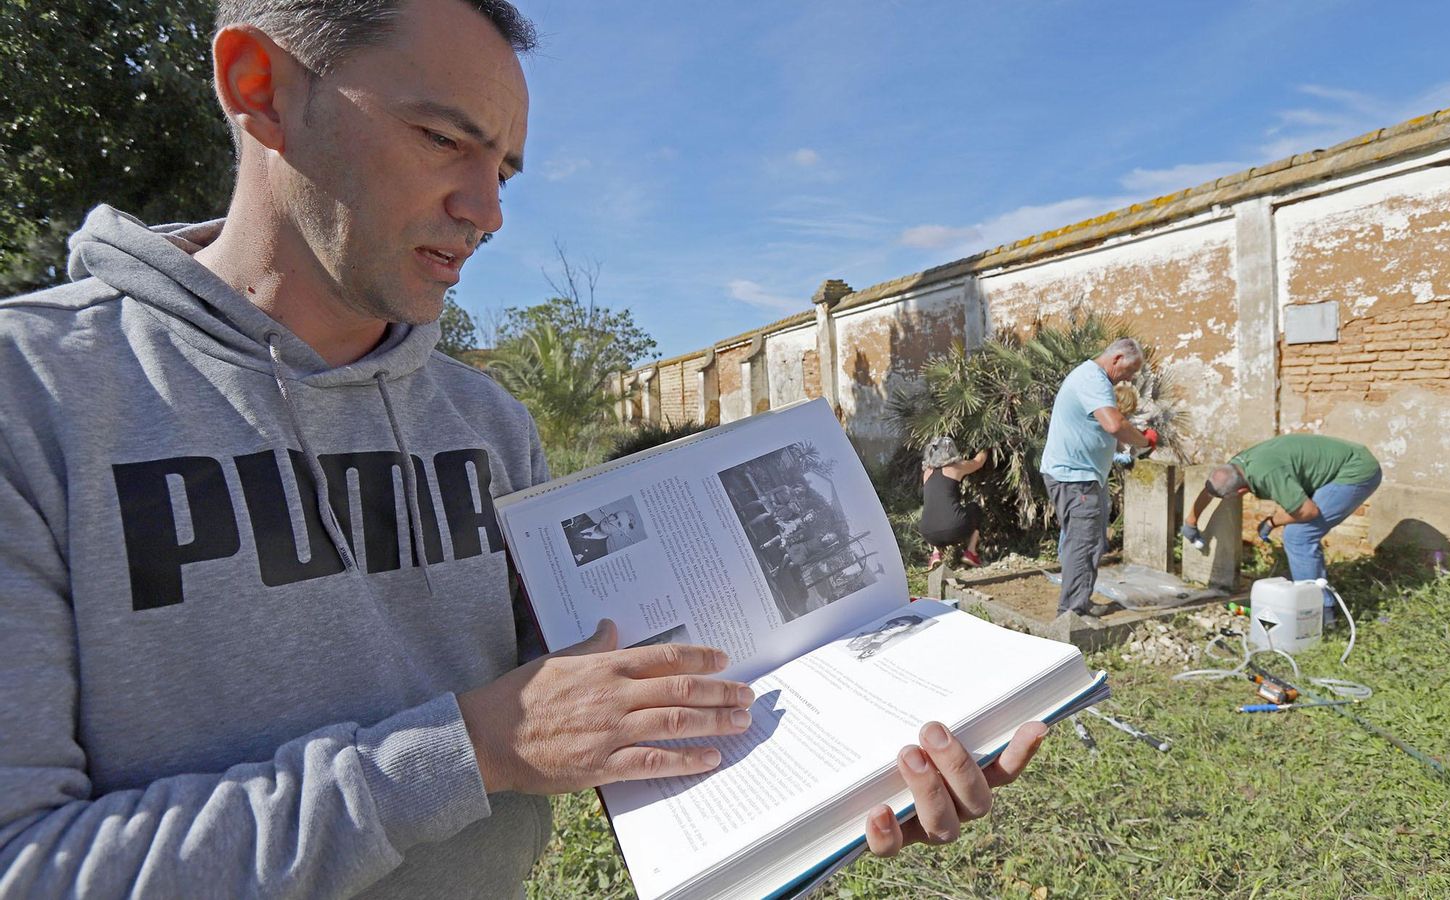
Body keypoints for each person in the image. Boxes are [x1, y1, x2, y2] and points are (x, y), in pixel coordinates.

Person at [0, 1, 1047, 895]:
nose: (488, 210)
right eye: (442, 140)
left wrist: (854, 772)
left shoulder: (487, 425)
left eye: (503, 165)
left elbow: (579, 723)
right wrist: (470, 750)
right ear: (260, 84)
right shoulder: (33, 400)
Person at [1185, 434, 1383, 627]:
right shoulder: (1234, 468)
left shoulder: (1268, 475)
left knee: (1298, 536)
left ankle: (1320, 613)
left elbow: (1308, 511)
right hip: (1337, 463)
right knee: (1297, 532)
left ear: (1241, 492)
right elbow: (1211, 490)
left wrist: (1272, 522)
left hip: (1355, 470)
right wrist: (1190, 522)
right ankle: (1308, 591)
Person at [1039, 339, 1156, 619]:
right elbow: (1114, 424)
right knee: (1083, 544)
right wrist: (1144, 441)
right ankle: (1071, 615)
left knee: (1088, 542)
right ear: (1116, 358)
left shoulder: (1093, 378)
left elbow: (1099, 428)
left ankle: (1079, 601)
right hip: (1075, 478)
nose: (1130, 378)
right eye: (1130, 370)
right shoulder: (1092, 378)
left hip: (1084, 476)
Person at [918, 437, 988, 569]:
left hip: (929, 534)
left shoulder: (926, 473)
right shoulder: (955, 467)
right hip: (955, 529)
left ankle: (936, 554)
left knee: (934, 510)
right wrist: (986, 444)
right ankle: (971, 552)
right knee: (974, 508)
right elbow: (979, 461)